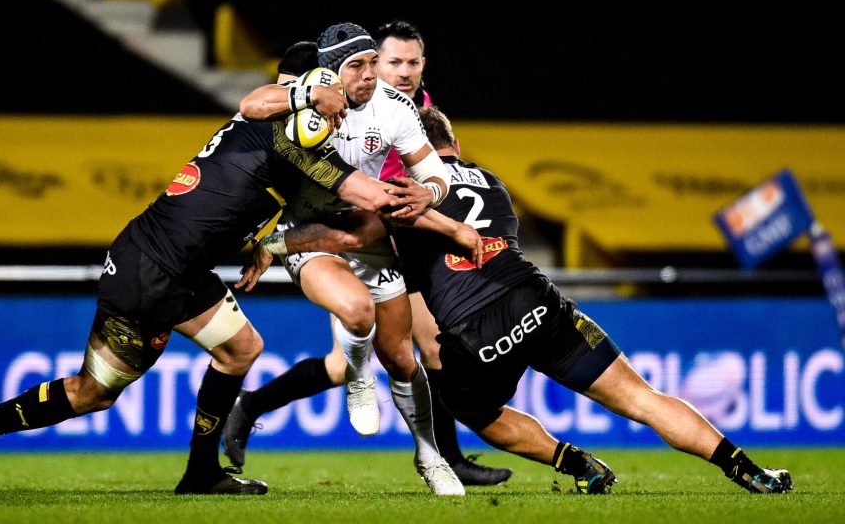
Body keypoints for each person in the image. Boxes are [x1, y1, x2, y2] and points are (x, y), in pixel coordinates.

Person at [0, 89, 477, 497]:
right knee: (94, 392)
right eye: (339, 84)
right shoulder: (291, 137)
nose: (339, 111)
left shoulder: (264, 124)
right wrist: (450, 221)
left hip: (177, 267)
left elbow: (253, 132)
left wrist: (261, 243)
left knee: (240, 349)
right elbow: (369, 198)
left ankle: (201, 472)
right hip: (151, 269)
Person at [239, 106, 795, 495]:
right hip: (538, 298)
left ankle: (576, 463)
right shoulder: (494, 181)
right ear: (456, 146)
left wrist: (279, 241)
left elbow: (350, 238)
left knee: (477, 414)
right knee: (642, 398)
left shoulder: (402, 192)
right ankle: (748, 469)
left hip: (476, 329)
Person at [225, 21, 512, 486]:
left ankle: (433, 457)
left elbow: (434, 175)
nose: (387, 73)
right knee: (374, 325)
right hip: (317, 230)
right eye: (380, 62)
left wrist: (431, 194)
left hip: (385, 230)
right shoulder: (311, 98)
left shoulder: (402, 109)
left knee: (401, 356)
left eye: (402, 63)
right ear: (333, 72)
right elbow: (251, 106)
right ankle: (383, 397)